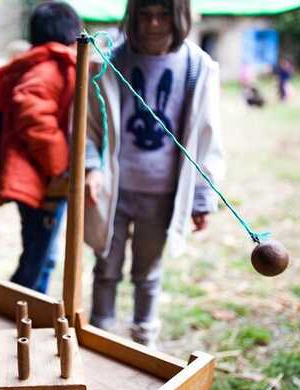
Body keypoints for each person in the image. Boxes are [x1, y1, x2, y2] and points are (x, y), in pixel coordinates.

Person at [84, 0, 225, 347]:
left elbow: (208, 136)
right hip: (113, 191)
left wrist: (202, 197)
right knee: (105, 268)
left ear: (179, 17)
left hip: (162, 193)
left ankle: (144, 341)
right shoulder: (108, 62)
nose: (153, 24)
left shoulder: (198, 67)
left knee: (147, 273)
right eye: (145, 15)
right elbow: (89, 127)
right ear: (133, 15)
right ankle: (100, 338)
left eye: (163, 15)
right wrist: (91, 166)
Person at [0, 1, 82, 293]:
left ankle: (31, 307)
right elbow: (33, 116)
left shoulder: (50, 65)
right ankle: (19, 307)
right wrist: (60, 166)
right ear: (72, 36)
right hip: (41, 181)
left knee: (44, 254)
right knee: (37, 257)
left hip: (43, 179)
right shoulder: (47, 70)